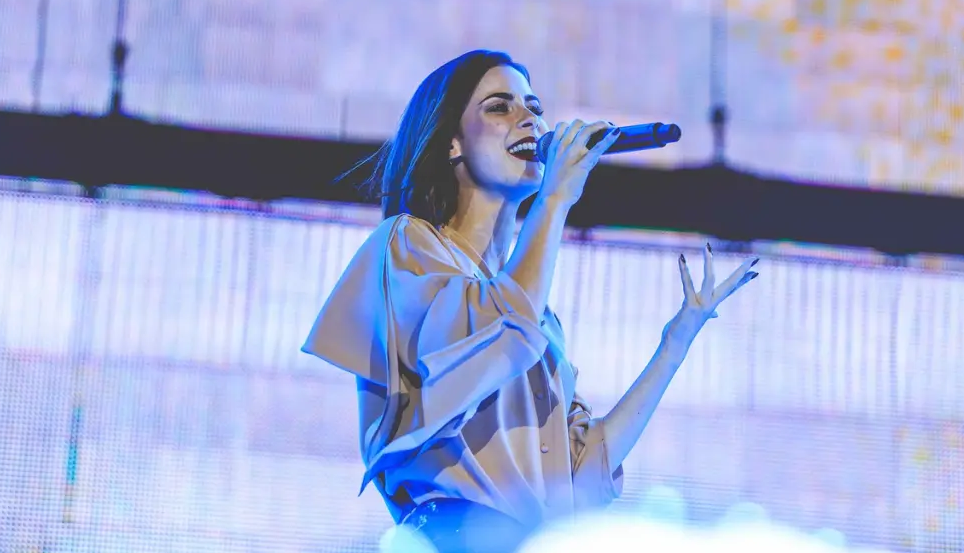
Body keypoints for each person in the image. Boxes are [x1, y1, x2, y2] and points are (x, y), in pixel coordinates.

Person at [302, 50, 759, 553]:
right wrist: (556, 199)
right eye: (500, 107)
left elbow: (583, 476)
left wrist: (674, 346)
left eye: (534, 106)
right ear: (452, 143)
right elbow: (505, 327)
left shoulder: (535, 314)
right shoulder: (408, 247)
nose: (529, 119)